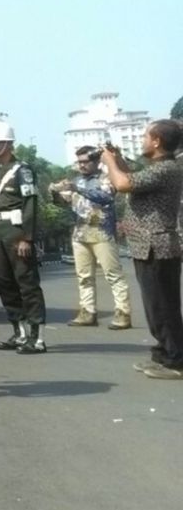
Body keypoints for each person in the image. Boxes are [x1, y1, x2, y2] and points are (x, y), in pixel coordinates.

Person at [101, 120, 183, 380]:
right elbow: (131, 178)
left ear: (157, 141)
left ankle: (176, 361)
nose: (142, 140)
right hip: (146, 246)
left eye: (146, 136)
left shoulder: (166, 169)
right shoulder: (158, 168)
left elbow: (123, 184)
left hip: (157, 246)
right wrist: (117, 159)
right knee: (154, 305)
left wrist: (109, 162)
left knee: (164, 306)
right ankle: (163, 353)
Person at [0, 121, 47, 354]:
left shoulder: (22, 171)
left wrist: (28, 238)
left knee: (27, 284)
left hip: (16, 231)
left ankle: (37, 338)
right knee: (5, 283)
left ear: (9, 143)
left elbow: (30, 205)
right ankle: (19, 333)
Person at [50, 146, 131, 329]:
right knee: (84, 276)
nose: (81, 165)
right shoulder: (77, 180)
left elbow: (105, 197)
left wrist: (76, 189)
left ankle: (122, 312)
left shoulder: (105, 178)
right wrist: (54, 192)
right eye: (78, 162)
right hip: (80, 233)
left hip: (102, 232)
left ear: (96, 162)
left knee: (113, 274)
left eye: (85, 162)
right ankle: (87, 311)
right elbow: (63, 202)